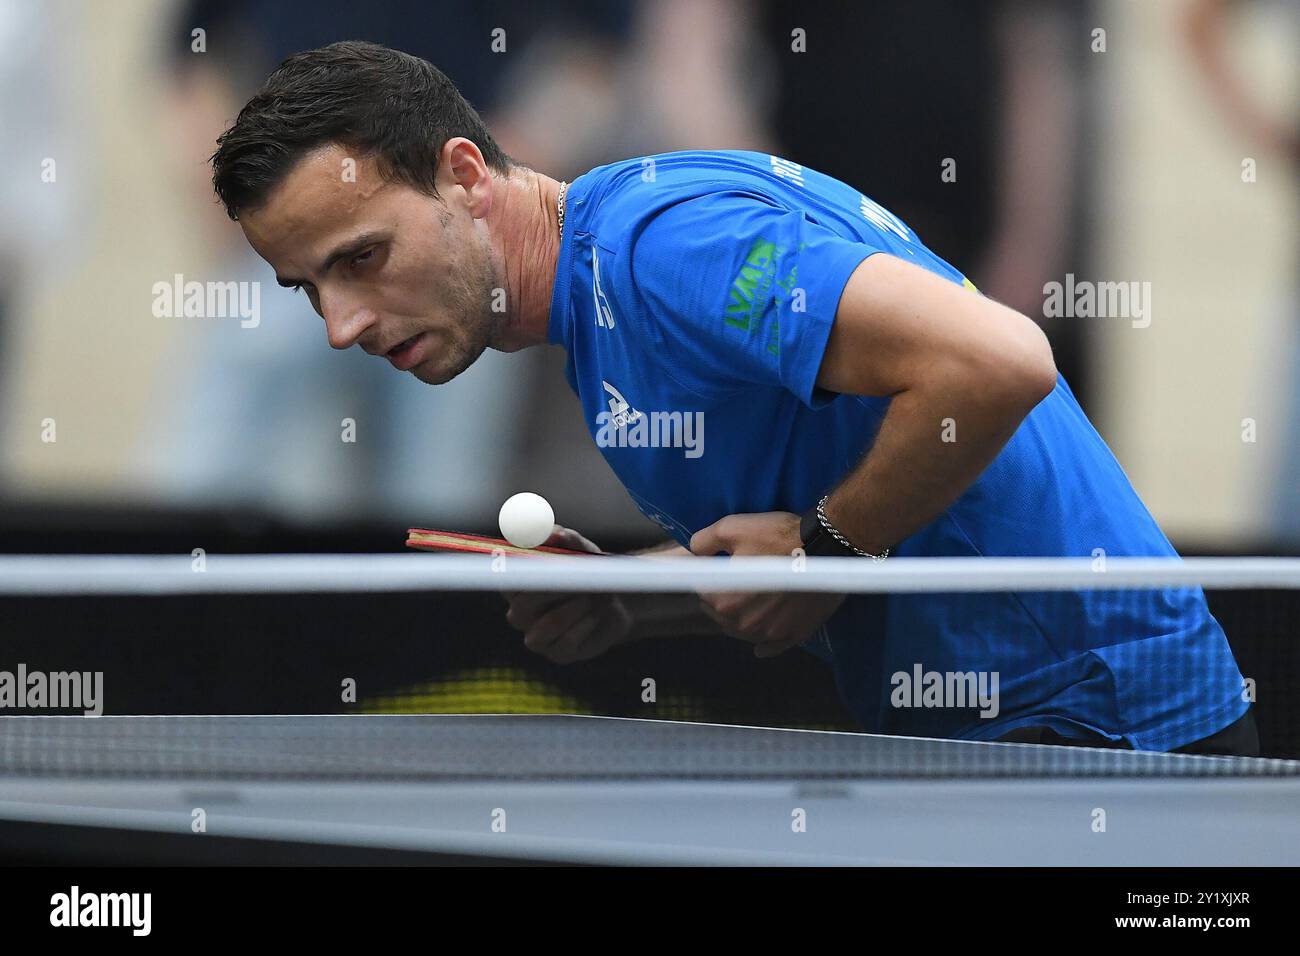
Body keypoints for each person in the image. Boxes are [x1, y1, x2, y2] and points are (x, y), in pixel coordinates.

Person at [210, 41, 1256, 755]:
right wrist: (630, 595)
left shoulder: (665, 250)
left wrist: (828, 551)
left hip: (1110, 730)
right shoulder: (600, 310)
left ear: (464, 174)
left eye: (363, 256)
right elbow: (794, 546)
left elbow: (1000, 362)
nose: (342, 324)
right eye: (310, 287)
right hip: (996, 733)